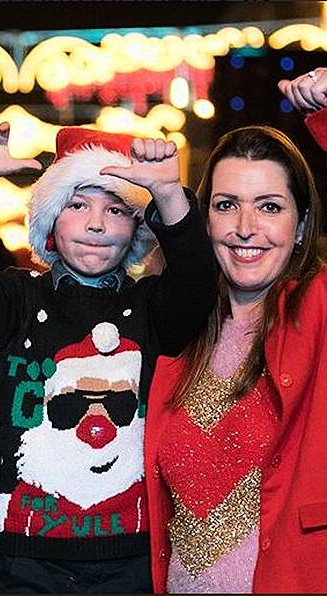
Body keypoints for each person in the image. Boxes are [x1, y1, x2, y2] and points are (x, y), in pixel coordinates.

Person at [0, 123, 218, 592]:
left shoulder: (150, 309)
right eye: (77, 205)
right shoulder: (17, 299)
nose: (96, 224)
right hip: (23, 556)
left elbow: (200, 283)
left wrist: (167, 194)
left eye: (116, 210)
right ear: (51, 227)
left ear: (136, 231)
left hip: (130, 556)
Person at [144, 70, 327, 594]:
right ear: (204, 220)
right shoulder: (178, 325)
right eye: (227, 205)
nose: (246, 227)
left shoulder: (316, 311)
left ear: (300, 223)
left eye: (270, 207)